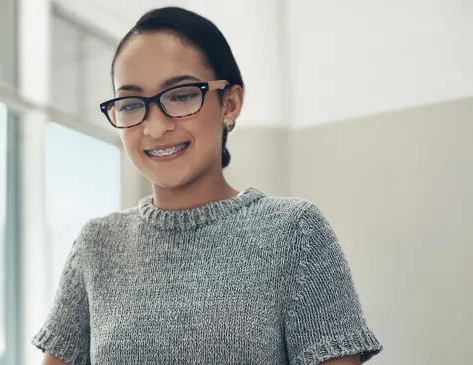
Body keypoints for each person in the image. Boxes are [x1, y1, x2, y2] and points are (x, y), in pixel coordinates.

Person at [33, 6, 382, 365]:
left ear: (229, 103)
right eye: (132, 103)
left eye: (181, 96)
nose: (155, 128)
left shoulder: (294, 232)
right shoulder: (97, 244)